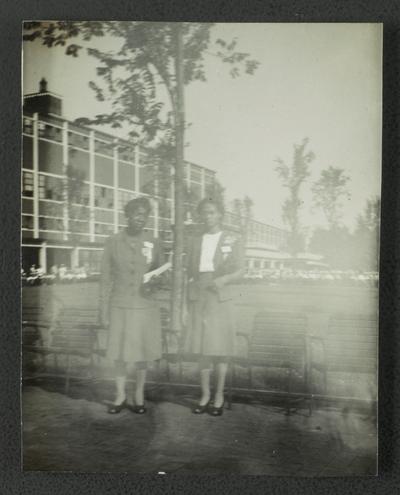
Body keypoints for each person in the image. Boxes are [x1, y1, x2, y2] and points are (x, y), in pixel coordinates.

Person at [99, 197, 164, 414]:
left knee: (142, 352)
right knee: (119, 352)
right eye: (136, 214)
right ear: (127, 215)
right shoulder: (113, 241)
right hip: (120, 304)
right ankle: (120, 395)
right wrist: (103, 310)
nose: (141, 218)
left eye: (145, 214)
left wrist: (156, 281)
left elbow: (162, 272)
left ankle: (139, 394)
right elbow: (105, 278)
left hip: (145, 306)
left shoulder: (154, 242)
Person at [184, 197, 244, 416]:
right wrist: (186, 302)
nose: (208, 217)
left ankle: (219, 396)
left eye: (212, 212)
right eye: (204, 213)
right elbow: (189, 273)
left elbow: (240, 270)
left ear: (220, 215)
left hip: (221, 296)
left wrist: (223, 280)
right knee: (203, 349)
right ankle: (205, 395)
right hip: (199, 295)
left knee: (220, 349)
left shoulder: (233, 238)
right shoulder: (194, 239)